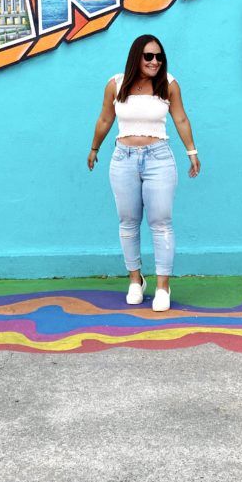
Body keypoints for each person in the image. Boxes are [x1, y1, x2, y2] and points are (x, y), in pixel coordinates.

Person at [87, 33, 200, 311]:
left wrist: (192, 151)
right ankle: (135, 281)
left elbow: (180, 118)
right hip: (123, 158)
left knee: (161, 222)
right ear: (136, 57)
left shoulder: (168, 84)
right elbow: (105, 118)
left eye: (159, 57)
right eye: (148, 56)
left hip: (159, 158)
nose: (154, 61)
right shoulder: (116, 84)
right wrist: (94, 148)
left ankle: (163, 286)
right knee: (128, 221)